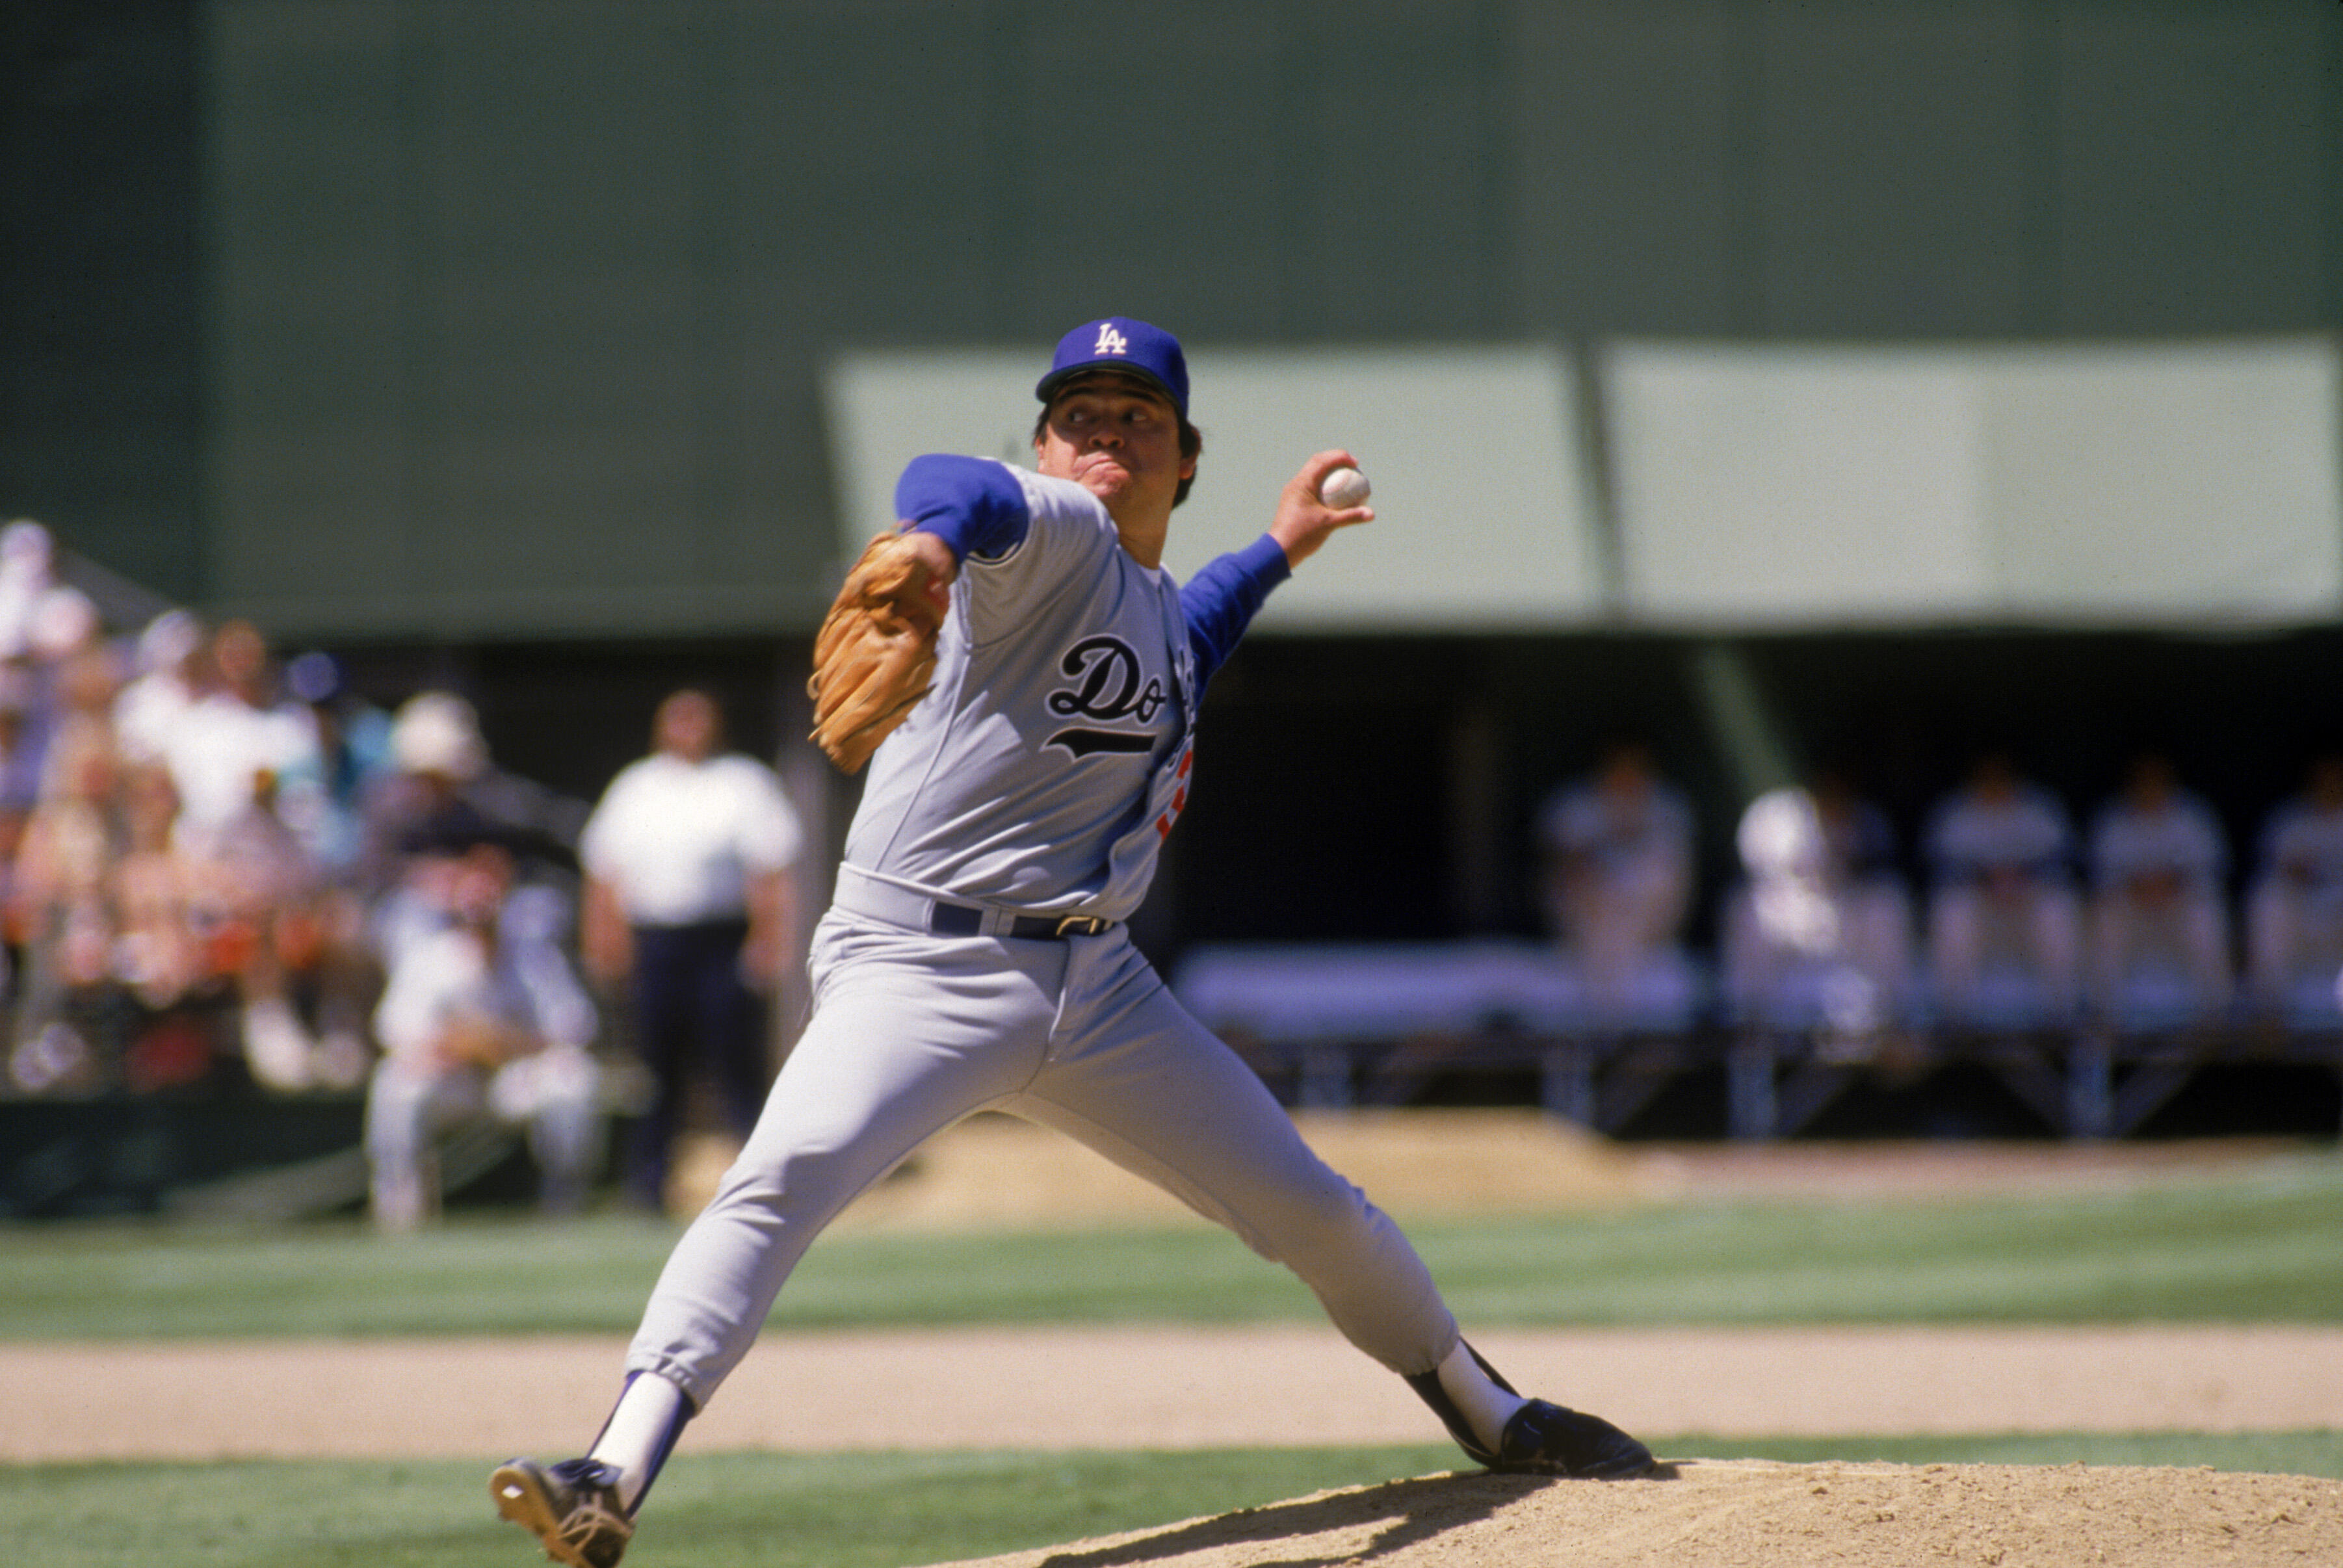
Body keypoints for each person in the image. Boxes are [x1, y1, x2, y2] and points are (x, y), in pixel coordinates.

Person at [490, 317, 1652, 1568]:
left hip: (1101, 989)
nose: (1103, 432)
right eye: (1078, 414)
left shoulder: (1149, 610)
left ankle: (1491, 1413)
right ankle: (611, 1470)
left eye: (1136, 416)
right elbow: (957, 482)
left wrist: (1280, 547)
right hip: (916, 967)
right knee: (773, 1188)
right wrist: (931, 549)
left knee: (1313, 1209)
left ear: (1184, 459)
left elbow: (1191, 627)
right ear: (1046, 444)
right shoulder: (1051, 530)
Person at [578, 688, 804, 1212]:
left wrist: (769, 942)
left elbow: (770, 870)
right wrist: (606, 943)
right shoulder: (635, 788)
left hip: (721, 941)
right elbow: (604, 873)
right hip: (658, 942)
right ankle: (650, 1187)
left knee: (736, 1064)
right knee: (658, 1070)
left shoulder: (744, 783)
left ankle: (761, 1182)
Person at [363, 844, 601, 1230]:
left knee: (573, 1077)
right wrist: (457, 1043)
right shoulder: (432, 956)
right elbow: (394, 1030)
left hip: (513, 1078)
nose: (480, 915)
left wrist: (504, 1041)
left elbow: (575, 1027)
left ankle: (566, 1196)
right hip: (454, 1081)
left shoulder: (534, 958)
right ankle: (399, 1201)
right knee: (397, 1080)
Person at [1721, 764, 1915, 1038]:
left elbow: (1872, 871)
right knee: (1748, 911)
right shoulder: (1772, 815)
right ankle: (1749, 1028)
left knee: (1887, 904)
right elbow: (1754, 873)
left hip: (1845, 926)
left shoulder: (1868, 821)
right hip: (1788, 916)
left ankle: (1891, 1029)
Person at [1534, 737, 1698, 1026]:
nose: (1627, 774)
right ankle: (1610, 1032)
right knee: (1602, 904)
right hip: (1585, 926)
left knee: (1646, 880)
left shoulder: (1668, 807)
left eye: (1635, 767)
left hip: (1649, 929)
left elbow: (1675, 880)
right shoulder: (1575, 806)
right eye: (1619, 766)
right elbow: (1564, 870)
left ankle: (1613, 1032)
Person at [1922, 750, 2082, 1025]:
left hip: (2027, 908)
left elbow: (2065, 859)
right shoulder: (1956, 813)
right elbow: (1938, 867)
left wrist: (2022, 878)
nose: (1995, 782)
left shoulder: (2038, 809)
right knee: (1952, 909)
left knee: (2058, 907)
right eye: (1987, 776)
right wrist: (1985, 879)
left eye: (2001, 775)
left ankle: (2061, 1014)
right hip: (1980, 910)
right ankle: (1955, 1016)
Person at [2082, 750, 2232, 1024]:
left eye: (2156, 778)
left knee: (2206, 915)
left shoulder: (2194, 818)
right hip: (2132, 912)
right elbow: (2102, 877)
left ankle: (2216, 1015)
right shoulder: (2113, 821)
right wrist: (2138, 888)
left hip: (2181, 910)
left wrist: (2171, 885)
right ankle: (2102, 1017)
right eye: (2143, 779)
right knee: (2106, 916)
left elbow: (2211, 872)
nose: (2149, 785)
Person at [2245, 749, 2343, 1019]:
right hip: (2303, 909)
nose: (2330, 784)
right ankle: (2270, 1013)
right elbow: (2280, 867)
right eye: (2324, 778)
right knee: (2267, 901)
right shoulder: (2289, 821)